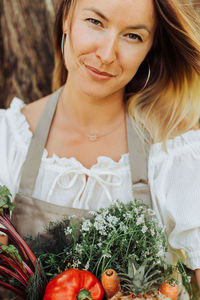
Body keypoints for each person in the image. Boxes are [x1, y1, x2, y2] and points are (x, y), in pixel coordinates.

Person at [0, 0, 200, 293]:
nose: (106, 54)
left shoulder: (173, 153)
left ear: (150, 48)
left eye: (133, 36)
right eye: (95, 22)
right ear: (67, 18)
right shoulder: (7, 141)